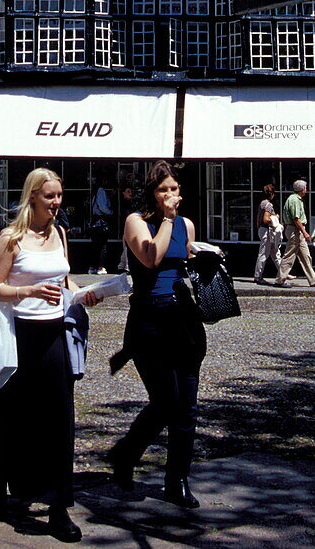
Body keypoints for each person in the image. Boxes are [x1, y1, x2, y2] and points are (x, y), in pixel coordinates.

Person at [0, 167, 99, 543]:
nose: (56, 203)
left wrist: (85, 292)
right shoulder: (11, 239)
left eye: (59, 196)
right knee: (14, 417)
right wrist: (27, 292)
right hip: (20, 336)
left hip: (55, 335)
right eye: (49, 196)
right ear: (32, 196)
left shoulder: (59, 233)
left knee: (60, 420)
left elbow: (64, 281)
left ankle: (57, 506)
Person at [108, 161, 206, 509]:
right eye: (164, 189)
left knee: (188, 407)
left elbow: (185, 263)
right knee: (166, 401)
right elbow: (151, 257)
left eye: (175, 190)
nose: (171, 195)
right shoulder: (137, 222)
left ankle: (177, 479)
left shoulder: (187, 225)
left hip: (183, 317)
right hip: (150, 318)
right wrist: (165, 219)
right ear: (153, 192)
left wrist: (206, 260)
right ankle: (125, 454)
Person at [274, 179, 315, 288]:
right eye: (305, 188)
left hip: (296, 230)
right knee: (289, 255)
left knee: (306, 256)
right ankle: (280, 280)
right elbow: (296, 218)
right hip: (295, 230)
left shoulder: (296, 199)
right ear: (301, 189)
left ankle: (314, 280)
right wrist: (304, 232)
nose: (306, 190)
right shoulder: (294, 200)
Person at [253, 183, 283, 283]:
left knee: (274, 254)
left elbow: (259, 219)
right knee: (263, 254)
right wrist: (275, 218)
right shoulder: (268, 205)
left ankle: (284, 273)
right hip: (267, 231)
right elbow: (266, 219)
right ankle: (258, 276)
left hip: (262, 229)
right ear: (272, 194)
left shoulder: (262, 203)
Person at [88, 181, 113, 274]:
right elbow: (102, 206)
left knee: (94, 246)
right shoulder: (101, 190)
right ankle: (100, 267)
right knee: (102, 245)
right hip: (101, 222)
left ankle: (92, 267)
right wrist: (110, 212)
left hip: (95, 222)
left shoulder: (94, 192)